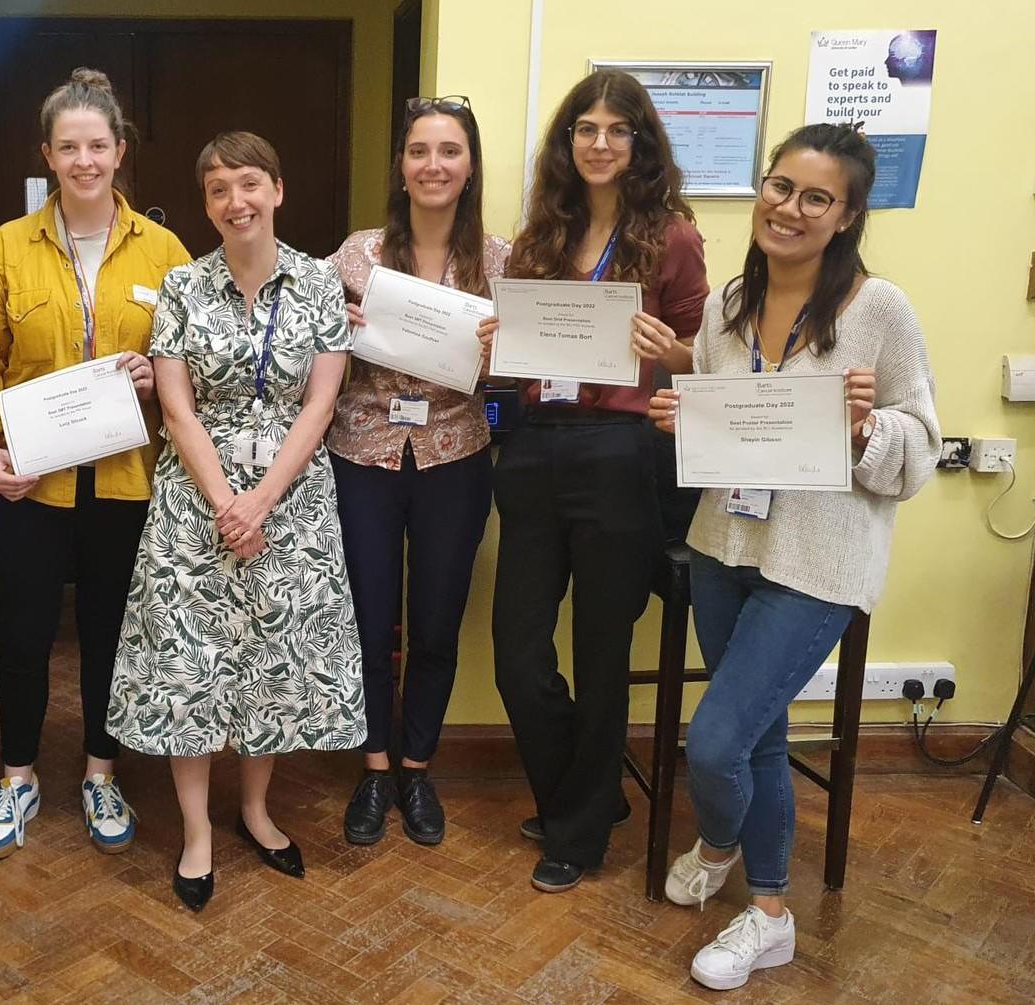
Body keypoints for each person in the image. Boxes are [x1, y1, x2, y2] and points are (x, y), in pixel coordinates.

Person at [649, 123, 939, 991]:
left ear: (846, 216)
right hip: (723, 542)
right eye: (780, 186)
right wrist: (680, 417)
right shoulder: (729, 300)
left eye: (817, 197)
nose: (790, 208)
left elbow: (921, 444)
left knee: (715, 739)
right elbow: (717, 418)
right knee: (759, 733)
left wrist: (867, 425)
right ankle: (759, 890)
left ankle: (742, 879)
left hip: (817, 559)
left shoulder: (878, 309)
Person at [107, 131, 366, 912]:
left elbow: (320, 402)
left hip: (292, 497)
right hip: (195, 498)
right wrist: (226, 500)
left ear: (277, 190)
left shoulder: (320, 283)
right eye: (217, 189)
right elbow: (178, 409)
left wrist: (262, 500)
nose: (235, 202)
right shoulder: (182, 284)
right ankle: (196, 831)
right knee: (188, 664)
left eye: (248, 184)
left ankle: (255, 808)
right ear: (207, 204)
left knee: (274, 663)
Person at [0, 68, 191, 860]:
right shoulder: (7, 248)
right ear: (48, 156)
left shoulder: (164, 250)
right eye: (69, 147)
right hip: (31, 481)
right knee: (21, 634)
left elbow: (193, 368)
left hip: (127, 482)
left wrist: (155, 376)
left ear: (119, 151)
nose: (84, 160)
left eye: (98, 145)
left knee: (110, 635)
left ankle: (100, 770)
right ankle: (17, 777)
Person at [487, 70, 708, 893]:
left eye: (618, 129)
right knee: (518, 656)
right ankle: (587, 793)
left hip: (621, 453)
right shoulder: (541, 233)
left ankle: (578, 833)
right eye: (586, 127)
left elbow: (706, 358)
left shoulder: (673, 237)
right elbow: (515, 360)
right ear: (566, 140)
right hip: (536, 446)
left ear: (640, 143)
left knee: (601, 652)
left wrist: (667, 347)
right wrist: (494, 344)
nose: (601, 142)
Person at [328, 96, 508, 847]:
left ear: (468, 168)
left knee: (436, 619)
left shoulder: (501, 261)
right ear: (400, 167)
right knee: (370, 616)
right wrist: (334, 329)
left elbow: (524, 375)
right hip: (362, 454)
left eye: (449, 152)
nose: (432, 165)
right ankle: (373, 768)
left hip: (455, 457)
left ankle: (416, 764)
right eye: (418, 151)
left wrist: (506, 353)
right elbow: (314, 355)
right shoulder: (355, 254)